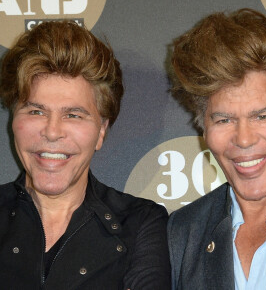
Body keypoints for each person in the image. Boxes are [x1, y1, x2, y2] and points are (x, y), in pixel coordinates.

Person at [0, 21, 170, 290]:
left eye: (73, 115)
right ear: (13, 122)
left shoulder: (140, 225)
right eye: (36, 111)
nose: (52, 132)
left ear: (101, 131)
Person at [167, 8, 266, 290]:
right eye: (224, 120)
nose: (243, 139)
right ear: (203, 125)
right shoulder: (181, 234)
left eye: (262, 116)